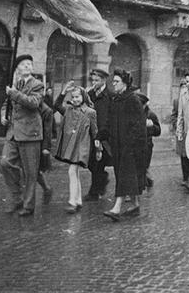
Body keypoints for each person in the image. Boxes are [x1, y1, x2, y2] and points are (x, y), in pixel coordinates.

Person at [0, 54, 44, 216]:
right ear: (17, 68)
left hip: (30, 132)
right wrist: (3, 115)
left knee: (30, 171)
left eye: (29, 64)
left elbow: (34, 103)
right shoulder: (15, 84)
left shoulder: (37, 84)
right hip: (13, 132)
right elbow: (6, 103)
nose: (27, 66)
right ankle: (16, 197)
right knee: (5, 163)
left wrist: (14, 94)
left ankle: (28, 206)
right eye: (23, 64)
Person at [104, 69, 147, 221]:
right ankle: (135, 205)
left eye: (116, 81)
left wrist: (130, 143)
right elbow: (109, 122)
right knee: (125, 176)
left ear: (125, 84)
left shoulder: (132, 100)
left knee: (124, 176)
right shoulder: (116, 99)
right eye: (113, 81)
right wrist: (101, 135)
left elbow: (139, 125)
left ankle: (116, 208)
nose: (113, 84)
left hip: (131, 147)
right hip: (117, 145)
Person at [53, 81, 100, 213]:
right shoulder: (68, 110)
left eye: (77, 97)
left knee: (72, 171)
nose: (74, 99)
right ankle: (78, 200)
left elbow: (95, 132)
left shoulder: (90, 112)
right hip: (71, 146)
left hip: (82, 147)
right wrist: (63, 92)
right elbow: (56, 105)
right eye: (72, 97)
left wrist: (98, 149)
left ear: (83, 97)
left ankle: (72, 202)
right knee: (75, 172)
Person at [84, 69, 112, 201]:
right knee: (90, 162)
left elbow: (108, 117)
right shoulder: (89, 94)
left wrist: (102, 134)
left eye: (97, 80)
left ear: (104, 80)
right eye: (93, 80)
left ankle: (94, 192)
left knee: (98, 162)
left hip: (103, 134)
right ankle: (102, 179)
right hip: (90, 133)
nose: (94, 83)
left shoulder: (110, 95)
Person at [137, 93, 161, 189]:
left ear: (144, 105)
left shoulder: (150, 115)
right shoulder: (131, 113)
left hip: (146, 145)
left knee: (143, 166)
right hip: (134, 144)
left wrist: (151, 127)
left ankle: (146, 181)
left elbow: (158, 131)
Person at [171, 79, 189, 185]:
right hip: (181, 133)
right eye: (182, 87)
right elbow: (173, 115)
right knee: (183, 155)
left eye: (186, 87)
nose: (184, 89)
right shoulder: (176, 101)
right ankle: (185, 178)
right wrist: (176, 125)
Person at [37, 100, 54, 204]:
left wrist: (45, 147)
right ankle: (46, 188)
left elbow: (47, 131)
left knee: (35, 170)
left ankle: (46, 188)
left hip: (39, 143)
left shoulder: (46, 110)